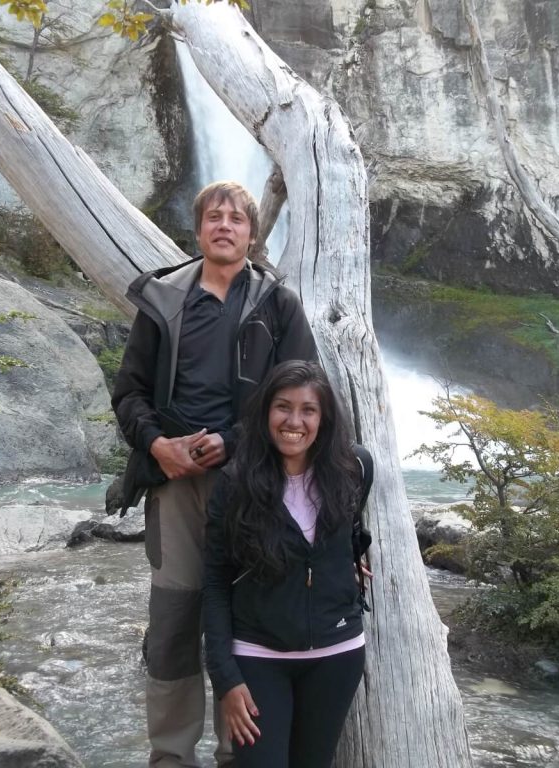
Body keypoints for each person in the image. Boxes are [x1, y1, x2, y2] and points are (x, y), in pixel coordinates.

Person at [111, 181, 318, 768]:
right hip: (173, 484)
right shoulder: (164, 300)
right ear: (199, 230)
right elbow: (128, 394)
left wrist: (232, 441)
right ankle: (171, 756)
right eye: (214, 217)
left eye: (236, 219)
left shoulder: (278, 304)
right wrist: (158, 447)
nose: (224, 226)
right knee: (175, 618)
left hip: (251, 484)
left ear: (252, 235)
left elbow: (303, 395)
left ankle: (239, 754)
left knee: (248, 616)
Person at [203, 360, 373, 768]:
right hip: (258, 658)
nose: (294, 420)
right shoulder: (235, 482)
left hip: (337, 655)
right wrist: (225, 678)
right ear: (265, 412)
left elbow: (345, 532)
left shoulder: (355, 469)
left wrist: (347, 560)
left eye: (308, 410)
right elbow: (214, 582)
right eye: (283, 406)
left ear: (324, 417)